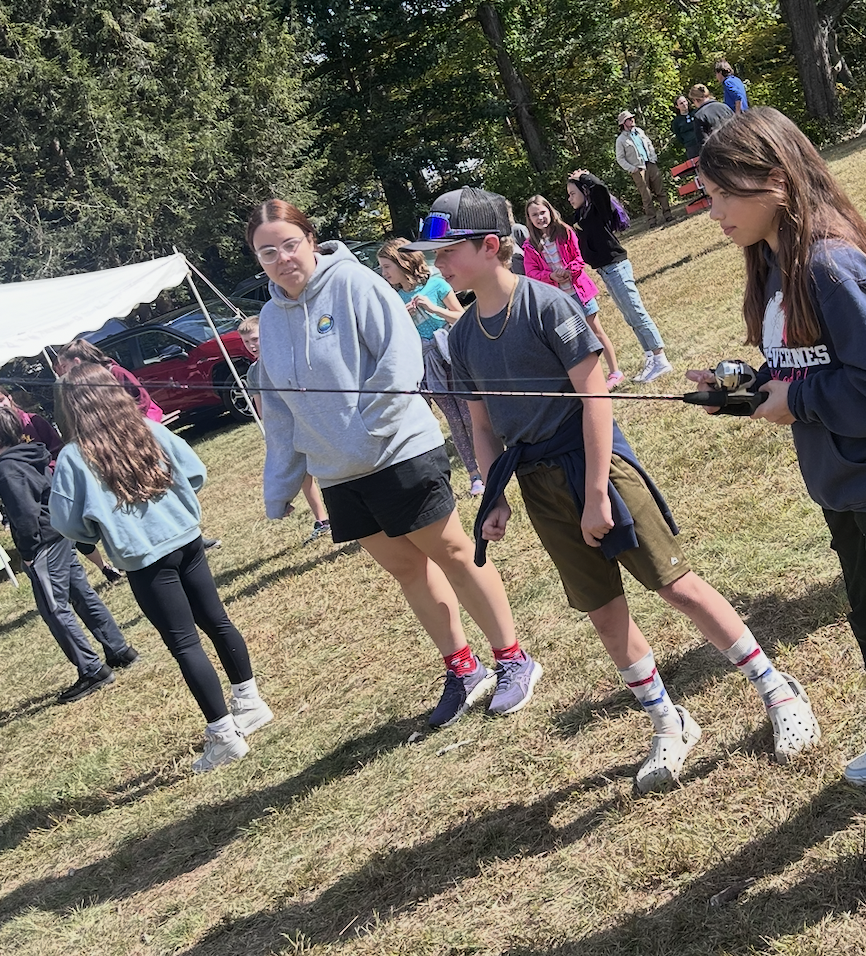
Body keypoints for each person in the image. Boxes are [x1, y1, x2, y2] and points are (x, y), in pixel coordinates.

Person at [405, 185, 820, 793]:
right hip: (538, 484)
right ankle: (668, 721)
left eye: (447, 251)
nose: (438, 264)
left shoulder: (548, 307)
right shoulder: (463, 335)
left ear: (490, 246)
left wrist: (598, 492)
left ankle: (777, 690)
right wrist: (495, 496)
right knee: (603, 612)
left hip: (596, 467)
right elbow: (483, 424)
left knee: (675, 585)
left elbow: (595, 398)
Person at [247, 198, 540, 728]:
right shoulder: (269, 318)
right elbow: (280, 404)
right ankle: (463, 669)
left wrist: (366, 432)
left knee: (454, 554)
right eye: (268, 252)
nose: (282, 258)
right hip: (339, 473)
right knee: (407, 570)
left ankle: (513, 659)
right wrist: (281, 482)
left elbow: (400, 360)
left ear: (310, 240)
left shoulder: (355, 283)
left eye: (290, 244)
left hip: (397, 451)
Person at [689, 106, 866, 785]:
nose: (713, 213)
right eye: (708, 196)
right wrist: (746, 388)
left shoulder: (828, 264)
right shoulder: (773, 262)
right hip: (839, 483)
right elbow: (804, 364)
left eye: (723, 194)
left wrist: (798, 401)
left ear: (777, 182)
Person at [49, 364, 272, 772]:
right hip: (187, 539)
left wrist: (96, 530)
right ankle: (250, 702)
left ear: (72, 406)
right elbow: (195, 471)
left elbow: (65, 521)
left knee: (185, 644)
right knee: (217, 620)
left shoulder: (73, 457)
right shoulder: (147, 428)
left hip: (145, 560)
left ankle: (224, 735)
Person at [0, 406, 138, 703]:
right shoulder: (29, 455)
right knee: (82, 594)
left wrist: (28, 552)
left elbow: (24, 514)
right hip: (59, 532)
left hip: (42, 542)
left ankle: (92, 670)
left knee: (54, 609)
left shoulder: (7, 469)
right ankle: (119, 649)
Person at [53, 340, 222, 553]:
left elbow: (142, 399)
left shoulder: (114, 373)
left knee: (157, 490)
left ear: (76, 361)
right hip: (108, 449)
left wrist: (130, 428)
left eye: (64, 366)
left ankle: (187, 536)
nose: (61, 372)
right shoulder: (73, 391)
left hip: (138, 441)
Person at [377, 238, 485, 497]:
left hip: (452, 357)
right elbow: (395, 338)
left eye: (386, 266)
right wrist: (402, 318)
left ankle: (488, 464)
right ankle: (474, 475)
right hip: (427, 365)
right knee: (454, 421)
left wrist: (433, 308)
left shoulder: (437, 284)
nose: (383, 272)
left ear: (403, 262)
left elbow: (461, 316)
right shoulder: (394, 299)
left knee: (470, 416)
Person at [0, 385, 124, 583]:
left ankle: (121, 553)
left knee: (92, 519)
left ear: (10, 398)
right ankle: (105, 568)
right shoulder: (3, 437)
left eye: (1, 400)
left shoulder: (33, 421)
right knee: (69, 530)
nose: (1, 406)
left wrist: (47, 472)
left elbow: (57, 449)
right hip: (35, 496)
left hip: (57, 483)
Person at [565, 171, 673, 383]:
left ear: (585, 192)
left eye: (572, 193)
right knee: (629, 317)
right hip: (605, 271)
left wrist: (585, 177)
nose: (569, 198)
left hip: (616, 268)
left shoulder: (598, 208)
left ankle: (661, 359)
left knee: (636, 313)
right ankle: (650, 356)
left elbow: (600, 190)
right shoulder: (581, 216)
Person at [238, 314, 332, 543]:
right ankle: (322, 519)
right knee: (303, 475)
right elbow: (261, 407)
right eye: (246, 342)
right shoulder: (253, 372)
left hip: (308, 421)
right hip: (287, 430)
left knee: (327, 466)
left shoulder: (286, 357)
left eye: (255, 339)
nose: (251, 345)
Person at [522, 194, 624, 390]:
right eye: (535, 215)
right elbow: (531, 273)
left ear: (550, 211)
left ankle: (615, 372)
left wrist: (569, 271)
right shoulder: (530, 245)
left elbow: (579, 257)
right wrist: (551, 276)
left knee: (596, 332)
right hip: (557, 301)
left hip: (579, 292)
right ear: (529, 218)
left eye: (543, 212)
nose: (540, 217)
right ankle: (589, 380)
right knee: (574, 341)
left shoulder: (565, 232)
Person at [614, 110, 673, 226]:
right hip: (638, 169)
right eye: (629, 119)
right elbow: (620, 158)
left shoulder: (640, 132)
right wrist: (632, 169)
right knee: (646, 196)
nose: (632, 120)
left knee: (660, 191)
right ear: (623, 123)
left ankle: (668, 215)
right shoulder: (620, 140)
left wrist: (653, 158)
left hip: (650, 164)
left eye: (632, 118)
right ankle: (652, 220)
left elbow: (649, 144)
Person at [689, 84, 735, 150]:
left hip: (718, 151)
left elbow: (703, 143)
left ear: (695, 100)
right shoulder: (725, 107)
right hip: (734, 147)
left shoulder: (699, 115)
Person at [671, 95, 700, 160]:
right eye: (681, 103)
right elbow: (679, 136)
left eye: (684, 101)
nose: (684, 104)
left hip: (703, 142)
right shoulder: (677, 121)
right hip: (691, 147)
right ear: (677, 106)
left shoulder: (697, 113)